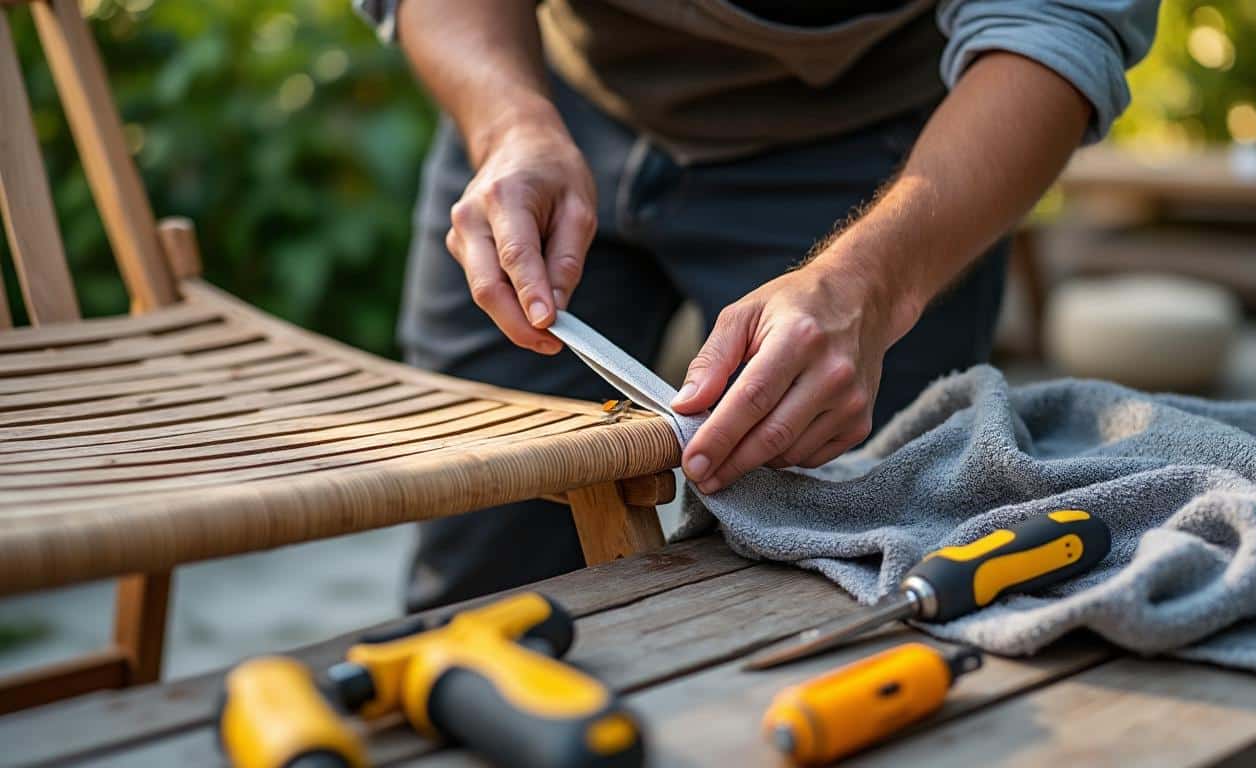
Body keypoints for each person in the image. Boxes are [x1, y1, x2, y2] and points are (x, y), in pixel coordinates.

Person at [356, 0, 1158, 612]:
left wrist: (870, 288)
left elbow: (1057, 23)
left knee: (856, 576)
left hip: (885, 154)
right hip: (541, 104)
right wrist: (507, 125)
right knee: (476, 583)